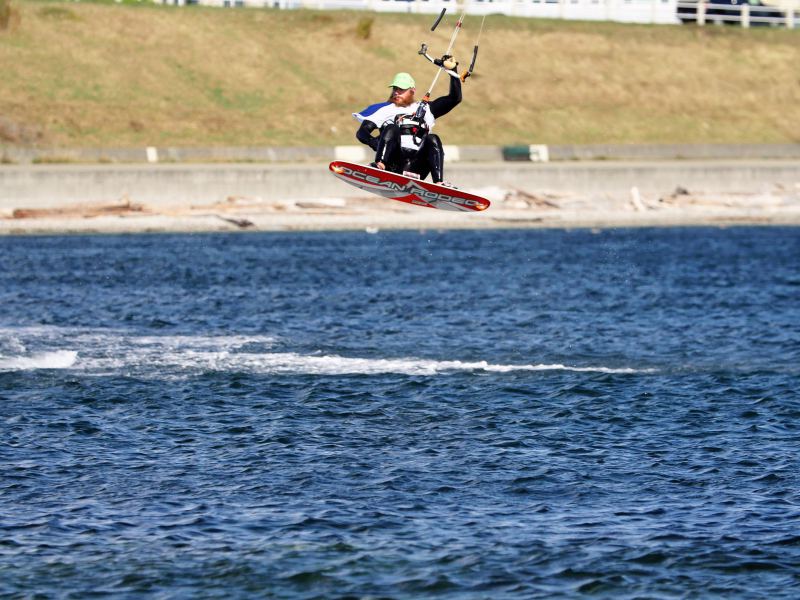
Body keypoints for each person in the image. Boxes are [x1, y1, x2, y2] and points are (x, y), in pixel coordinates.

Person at [353, 60, 461, 185]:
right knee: (392, 128)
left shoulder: (426, 108)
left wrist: (453, 71)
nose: (396, 92)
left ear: (412, 91)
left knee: (433, 138)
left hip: (418, 167)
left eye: (401, 89)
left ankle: (438, 183)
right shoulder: (383, 109)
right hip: (392, 164)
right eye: (395, 89)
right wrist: (373, 142)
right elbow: (362, 132)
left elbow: (455, 98)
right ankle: (380, 166)